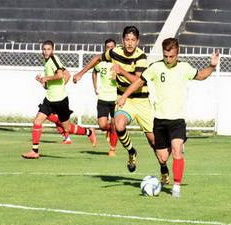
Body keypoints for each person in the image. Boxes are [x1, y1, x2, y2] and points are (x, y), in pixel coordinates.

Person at [117, 38, 219, 197]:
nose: (168, 59)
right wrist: (124, 96)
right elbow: (138, 82)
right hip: (159, 120)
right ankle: (174, 145)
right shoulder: (155, 67)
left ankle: (176, 186)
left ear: (177, 53)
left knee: (177, 150)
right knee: (163, 157)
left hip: (177, 120)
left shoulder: (184, 68)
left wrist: (212, 66)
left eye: (171, 56)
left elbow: (200, 76)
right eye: (165, 56)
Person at [73, 26, 170, 180]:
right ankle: (132, 152)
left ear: (138, 41)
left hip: (142, 101)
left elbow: (138, 81)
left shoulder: (141, 57)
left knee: (154, 143)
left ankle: (163, 168)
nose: (130, 43)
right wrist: (80, 73)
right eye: (127, 39)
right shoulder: (115, 52)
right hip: (125, 100)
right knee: (118, 124)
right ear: (122, 40)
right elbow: (97, 58)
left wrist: (122, 71)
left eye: (133, 40)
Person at [21, 40, 97, 159]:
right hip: (49, 99)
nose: (46, 52)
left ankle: (89, 132)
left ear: (53, 50)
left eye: (48, 49)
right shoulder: (46, 62)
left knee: (67, 128)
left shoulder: (54, 59)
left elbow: (62, 75)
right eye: (44, 49)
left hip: (60, 100)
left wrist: (48, 78)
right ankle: (34, 151)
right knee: (37, 122)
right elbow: (57, 79)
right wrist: (43, 81)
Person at [92, 39, 118, 156]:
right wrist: (95, 87)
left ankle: (112, 149)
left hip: (115, 98)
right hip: (103, 97)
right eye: (108, 47)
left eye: (112, 47)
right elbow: (94, 72)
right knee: (102, 125)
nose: (110, 49)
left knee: (114, 124)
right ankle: (109, 132)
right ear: (105, 48)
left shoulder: (119, 63)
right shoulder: (100, 62)